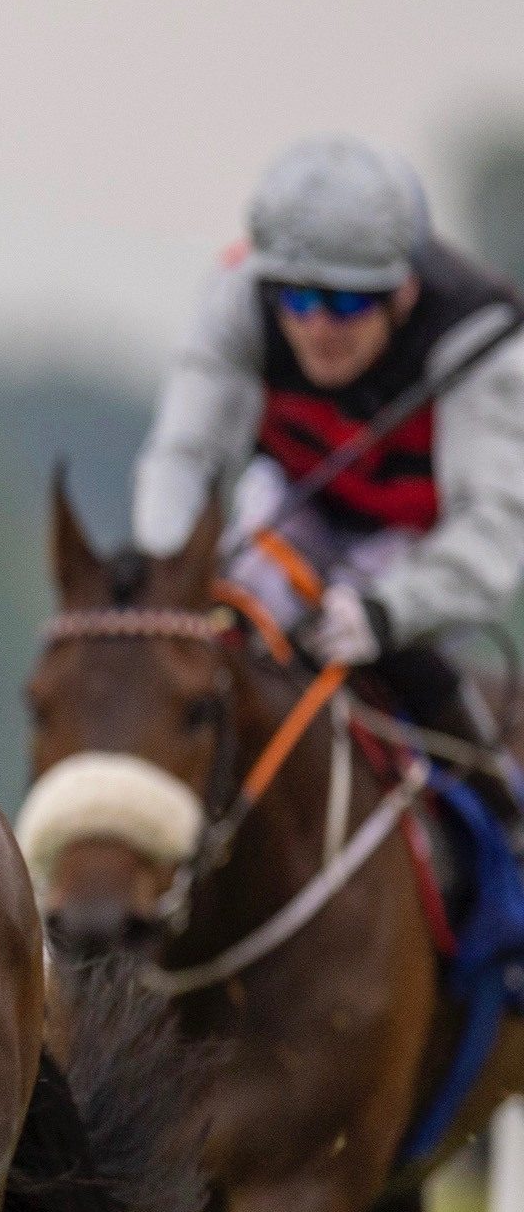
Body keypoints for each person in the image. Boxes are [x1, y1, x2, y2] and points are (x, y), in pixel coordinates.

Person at [134, 133, 524, 837]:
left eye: (348, 303)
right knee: (228, 627)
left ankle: (505, 824)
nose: (317, 325)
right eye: (300, 297)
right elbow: (184, 457)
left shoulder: (480, 338)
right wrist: (164, 574)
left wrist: (385, 613)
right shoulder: (240, 296)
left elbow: (492, 536)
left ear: (403, 289)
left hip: (419, 541)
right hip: (295, 500)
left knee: (379, 647)